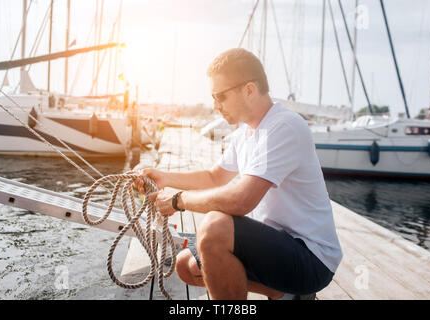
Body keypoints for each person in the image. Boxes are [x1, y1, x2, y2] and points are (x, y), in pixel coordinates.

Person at [135, 48, 342, 300]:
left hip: (311, 259)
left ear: (249, 90)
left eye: (220, 96)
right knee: (186, 266)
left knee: (213, 229)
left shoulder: (284, 126)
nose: (214, 105)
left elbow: (241, 201)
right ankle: (284, 292)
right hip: (278, 245)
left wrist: (178, 200)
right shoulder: (244, 133)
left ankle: (294, 290)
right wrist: (164, 177)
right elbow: (214, 177)